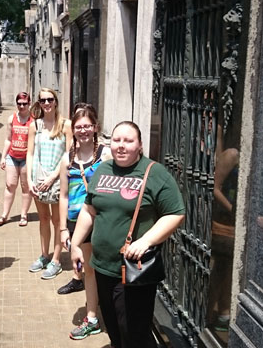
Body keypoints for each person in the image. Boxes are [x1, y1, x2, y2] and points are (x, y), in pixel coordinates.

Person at [70, 121, 185, 348]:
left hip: (133, 272)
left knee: (134, 335)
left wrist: (146, 240)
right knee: (114, 329)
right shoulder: (104, 169)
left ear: (140, 145)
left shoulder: (154, 173)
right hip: (102, 267)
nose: (121, 146)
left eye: (128, 141)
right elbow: (89, 209)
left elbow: (175, 213)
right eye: (116, 140)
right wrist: (75, 244)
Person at [59, 107, 111, 340]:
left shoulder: (105, 156)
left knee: (107, 269)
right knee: (87, 270)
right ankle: (92, 318)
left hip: (103, 221)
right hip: (77, 223)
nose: (83, 130)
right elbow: (63, 196)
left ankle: (111, 313)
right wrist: (62, 229)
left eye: (87, 126)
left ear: (95, 127)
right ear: (73, 130)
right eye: (78, 126)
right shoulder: (66, 159)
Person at [26, 88, 73, 279]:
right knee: (43, 219)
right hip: (38, 178)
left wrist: (54, 176)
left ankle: (56, 259)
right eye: (42, 100)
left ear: (56, 101)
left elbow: (68, 154)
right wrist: (29, 179)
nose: (46, 103)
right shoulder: (35, 126)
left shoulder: (66, 125)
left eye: (50, 99)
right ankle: (44, 255)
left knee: (57, 221)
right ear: (38, 103)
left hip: (57, 178)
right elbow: (29, 153)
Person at [0, 92, 33, 227]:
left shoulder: (34, 121)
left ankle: (23, 214)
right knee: (10, 184)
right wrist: (3, 157)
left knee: (25, 187)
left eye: (24, 103)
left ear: (29, 104)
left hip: (26, 159)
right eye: (19, 103)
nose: (22, 106)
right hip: (12, 156)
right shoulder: (11, 119)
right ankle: (4, 215)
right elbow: (8, 139)